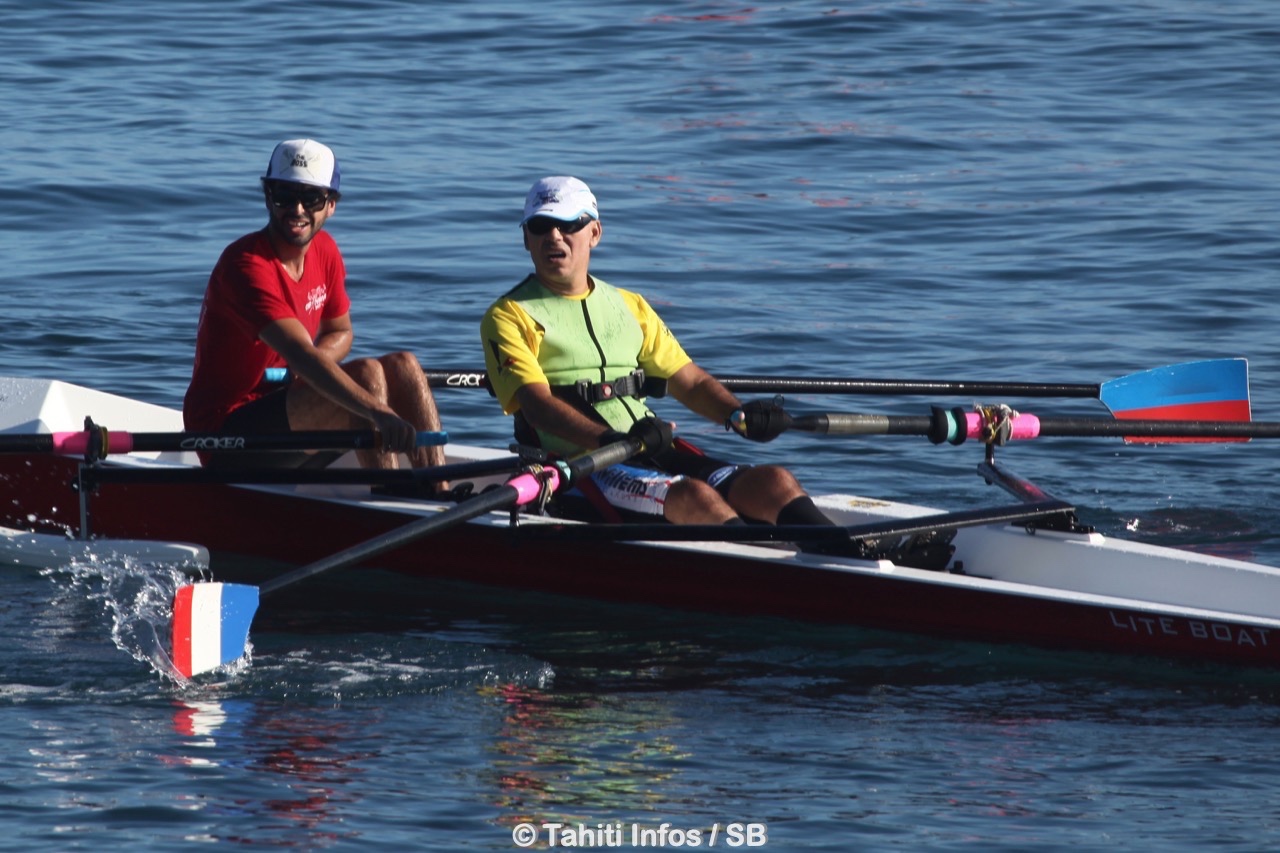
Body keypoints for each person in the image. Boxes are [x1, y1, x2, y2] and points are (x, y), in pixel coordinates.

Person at [478, 175, 847, 543]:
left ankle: (847, 553)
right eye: (541, 226)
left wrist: (738, 415)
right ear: (526, 239)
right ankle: (769, 570)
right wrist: (613, 439)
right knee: (695, 497)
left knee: (774, 481)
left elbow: (692, 382)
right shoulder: (508, 315)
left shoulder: (629, 305)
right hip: (578, 468)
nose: (554, 237)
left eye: (569, 224)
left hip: (650, 447)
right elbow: (538, 407)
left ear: (595, 233)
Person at [183, 139, 446, 476]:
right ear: (267, 196)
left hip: (287, 405)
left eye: (311, 198)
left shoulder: (326, 251)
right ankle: (390, 494)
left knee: (404, 365)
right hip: (224, 435)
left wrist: (311, 368)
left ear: (331, 205)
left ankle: (438, 490)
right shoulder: (245, 266)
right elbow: (302, 355)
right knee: (366, 375)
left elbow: (340, 332)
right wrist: (378, 412)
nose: (297, 210)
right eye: (285, 196)